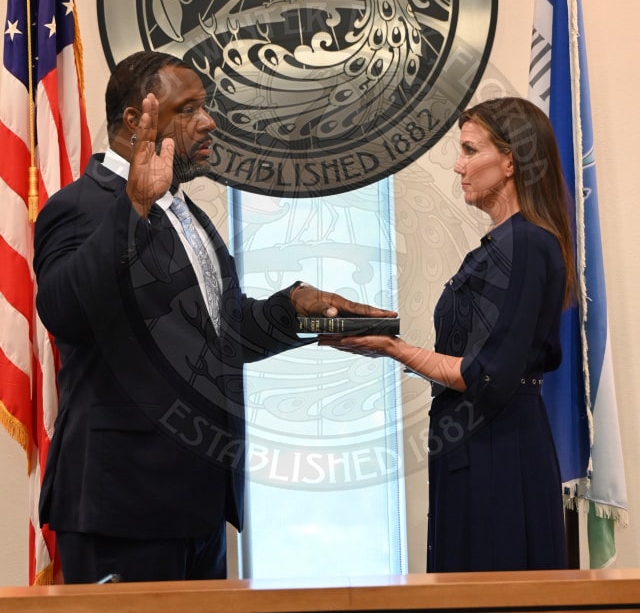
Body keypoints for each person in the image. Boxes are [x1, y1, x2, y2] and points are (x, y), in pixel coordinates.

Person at [34, 50, 394, 583]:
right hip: (123, 505)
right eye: (190, 109)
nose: (209, 121)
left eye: (206, 106)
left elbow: (219, 334)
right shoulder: (80, 206)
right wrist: (130, 208)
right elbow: (63, 311)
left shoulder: (186, 211)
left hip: (199, 502)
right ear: (136, 121)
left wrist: (293, 308)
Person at [320, 97, 575, 572]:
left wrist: (393, 348)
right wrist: (385, 338)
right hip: (478, 448)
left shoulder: (526, 244)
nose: (458, 166)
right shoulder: (504, 244)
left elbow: (487, 375)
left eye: (469, 150)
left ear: (510, 160)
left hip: (499, 456)